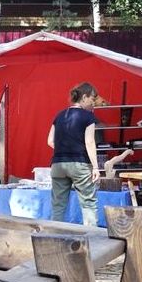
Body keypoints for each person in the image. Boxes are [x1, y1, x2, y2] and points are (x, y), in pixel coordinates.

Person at [47, 82, 102, 221]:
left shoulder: (59, 115)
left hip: (58, 165)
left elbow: (50, 141)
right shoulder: (88, 117)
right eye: (92, 98)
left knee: (58, 205)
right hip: (80, 165)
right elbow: (90, 142)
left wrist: (64, 149)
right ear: (84, 97)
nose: (93, 103)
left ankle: (54, 233)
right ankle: (91, 234)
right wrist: (96, 167)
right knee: (88, 204)